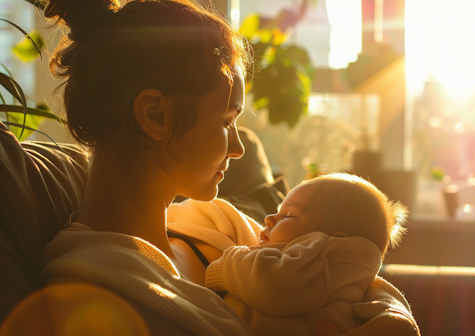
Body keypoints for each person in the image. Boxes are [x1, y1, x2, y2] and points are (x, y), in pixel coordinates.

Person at [36, 0, 420, 334]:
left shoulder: (215, 226)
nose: (237, 148)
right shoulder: (91, 291)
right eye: (226, 121)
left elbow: (346, 268)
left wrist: (395, 317)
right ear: (155, 115)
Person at [168, 173, 412, 335]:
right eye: (278, 210)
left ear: (334, 241)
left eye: (289, 215)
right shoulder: (352, 272)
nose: (269, 219)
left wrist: (226, 264)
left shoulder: (321, 256)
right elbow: (390, 304)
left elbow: (273, 285)